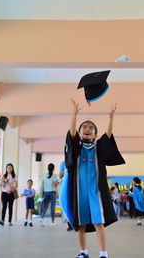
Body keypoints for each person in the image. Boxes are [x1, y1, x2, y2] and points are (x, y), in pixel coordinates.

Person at [60, 99, 125, 258]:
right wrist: (74, 114)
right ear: (80, 132)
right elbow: (72, 134)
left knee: (98, 223)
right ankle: (83, 252)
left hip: (96, 193)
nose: (87, 129)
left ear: (95, 134)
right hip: (80, 192)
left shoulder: (99, 148)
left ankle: (104, 253)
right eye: (84, 127)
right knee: (80, 224)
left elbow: (108, 136)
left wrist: (111, 119)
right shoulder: (76, 148)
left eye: (91, 128)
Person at [58, 160, 73, 231]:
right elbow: (60, 176)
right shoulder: (63, 163)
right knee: (68, 204)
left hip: (77, 185)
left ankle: (76, 222)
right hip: (67, 185)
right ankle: (69, 224)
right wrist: (67, 168)